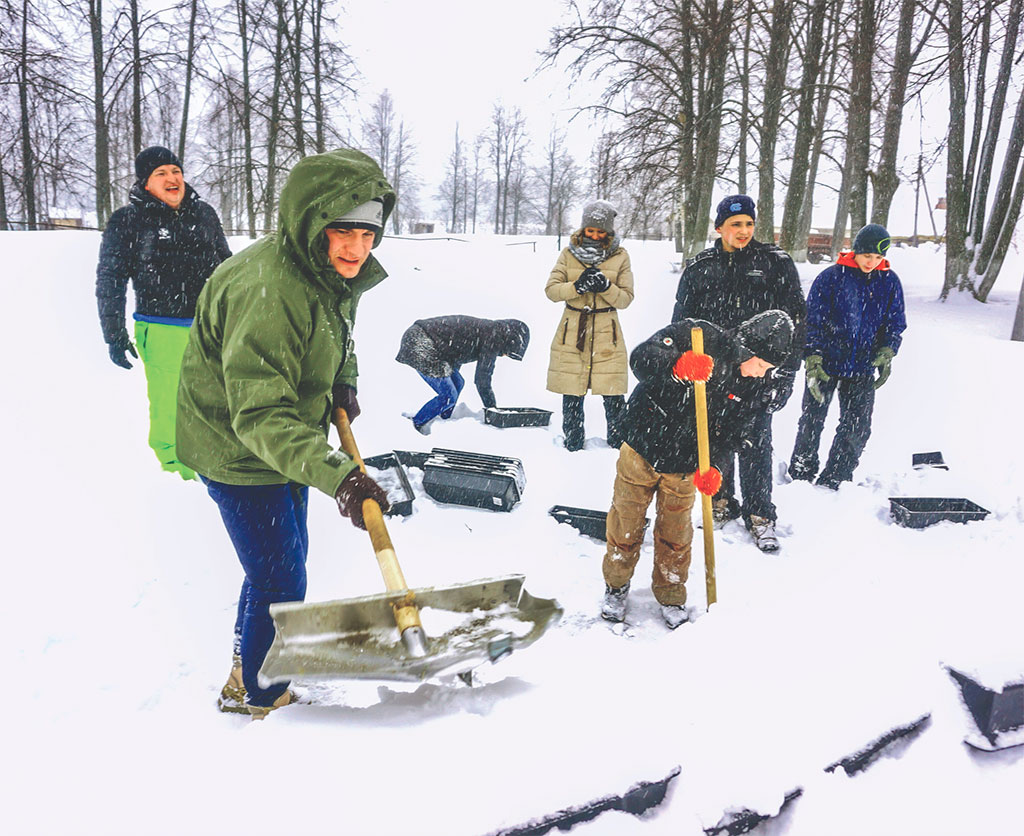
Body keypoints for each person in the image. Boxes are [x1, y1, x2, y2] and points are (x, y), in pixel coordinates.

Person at [176, 149, 396, 718]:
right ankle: (262, 696)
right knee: (280, 578)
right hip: (239, 449)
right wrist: (341, 477)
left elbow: (336, 338)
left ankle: (243, 674)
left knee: (276, 569)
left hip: (285, 442)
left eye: (368, 233)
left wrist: (342, 382)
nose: (357, 248)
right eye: (344, 231)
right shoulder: (269, 291)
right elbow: (259, 416)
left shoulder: (321, 271)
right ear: (312, 222)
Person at [601, 311, 795, 628]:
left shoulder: (751, 385)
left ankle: (671, 595)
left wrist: (715, 466)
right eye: (761, 364)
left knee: (675, 535)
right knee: (625, 524)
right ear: (747, 349)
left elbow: (734, 432)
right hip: (641, 447)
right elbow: (641, 358)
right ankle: (616, 585)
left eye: (768, 369)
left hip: (685, 464)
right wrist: (675, 366)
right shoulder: (698, 335)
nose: (761, 373)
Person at [672, 194, 806, 552]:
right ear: (720, 228)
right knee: (714, 441)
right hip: (714, 371)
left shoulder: (775, 263)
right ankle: (721, 501)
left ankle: (760, 514)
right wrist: (684, 364)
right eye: (735, 224)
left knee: (755, 443)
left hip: (759, 371)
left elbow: (796, 320)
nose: (744, 230)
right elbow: (681, 321)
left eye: (748, 223)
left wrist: (787, 373)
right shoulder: (701, 267)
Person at [96, 145, 231, 479]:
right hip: (161, 327)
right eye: (161, 173)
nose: (173, 178)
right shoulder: (128, 221)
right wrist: (114, 334)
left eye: (176, 171)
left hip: (211, 325)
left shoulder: (204, 214)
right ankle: (178, 469)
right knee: (171, 404)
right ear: (146, 183)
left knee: (216, 398)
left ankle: (219, 462)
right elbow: (111, 279)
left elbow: (227, 267)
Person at [788, 223, 906, 490]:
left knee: (858, 425)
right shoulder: (831, 277)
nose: (872, 262)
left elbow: (895, 322)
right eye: (867, 255)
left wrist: (887, 350)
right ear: (855, 251)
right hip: (826, 362)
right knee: (812, 419)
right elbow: (812, 320)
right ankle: (801, 474)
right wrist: (813, 357)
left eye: (878, 257)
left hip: (863, 365)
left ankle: (837, 477)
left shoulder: (889, 282)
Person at [545, 200, 635, 451]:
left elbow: (626, 299)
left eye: (600, 231)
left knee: (613, 392)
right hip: (573, 329)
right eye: (590, 230)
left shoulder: (620, 256)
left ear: (609, 231)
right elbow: (551, 290)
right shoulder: (568, 253)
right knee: (572, 391)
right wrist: (577, 287)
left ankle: (617, 444)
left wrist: (606, 287)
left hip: (608, 332)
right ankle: (572, 444)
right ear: (583, 228)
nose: (595, 236)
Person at [395, 315, 530, 433]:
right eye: (508, 352)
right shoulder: (493, 336)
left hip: (429, 343)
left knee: (458, 383)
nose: (505, 355)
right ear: (509, 340)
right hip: (420, 341)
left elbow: (455, 352)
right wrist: (492, 410)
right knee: (448, 395)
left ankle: (443, 420)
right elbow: (482, 379)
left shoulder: (490, 331)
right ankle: (417, 424)